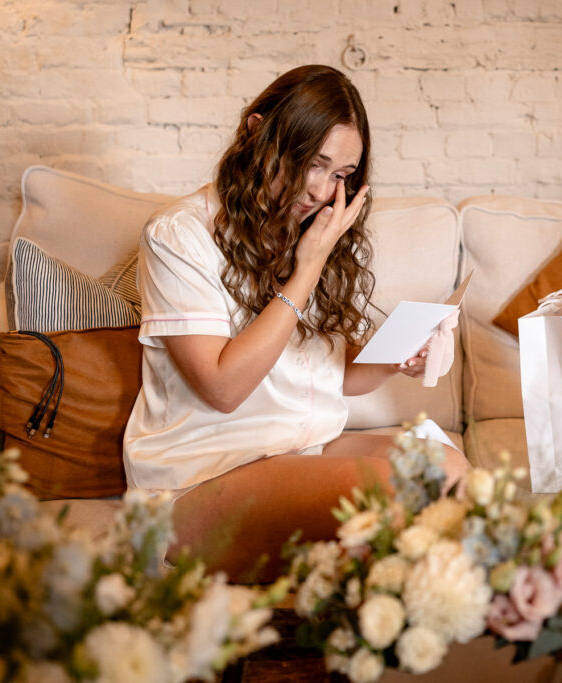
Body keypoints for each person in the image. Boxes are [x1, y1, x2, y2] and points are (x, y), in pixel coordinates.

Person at [122, 65, 468, 582]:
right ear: (255, 132)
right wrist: (307, 266)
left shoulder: (308, 230)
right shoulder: (179, 235)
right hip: (202, 475)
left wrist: (397, 356)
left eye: (340, 175)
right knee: (390, 491)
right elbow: (222, 387)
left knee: (447, 469)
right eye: (310, 161)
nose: (320, 189)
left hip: (301, 448)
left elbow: (332, 376)